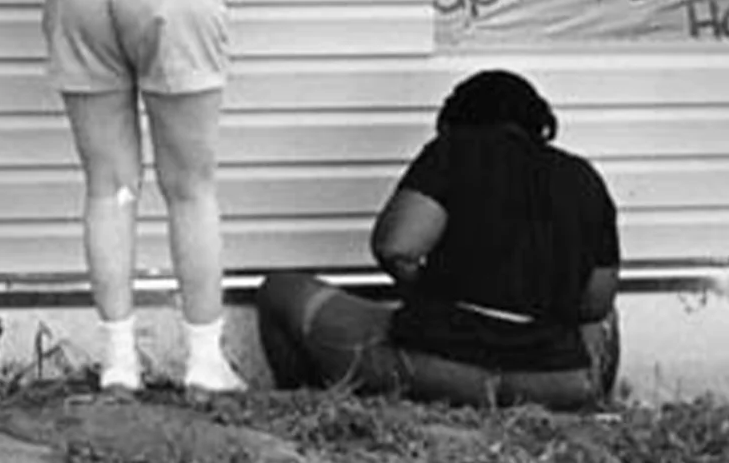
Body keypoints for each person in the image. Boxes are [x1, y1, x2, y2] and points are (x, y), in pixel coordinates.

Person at [43, 0, 321, 393]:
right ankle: (203, 361)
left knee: (109, 184)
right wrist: (205, 0)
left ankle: (119, 364)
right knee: (189, 186)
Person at [254, 70, 621, 411]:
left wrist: (436, 297)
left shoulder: (455, 148)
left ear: (454, 121)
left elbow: (396, 248)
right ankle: (589, 407)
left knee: (280, 291)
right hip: (554, 384)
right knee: (610, 319)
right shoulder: (584, 178)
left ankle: (313, 414)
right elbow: (596, 304)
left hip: (436, 369)